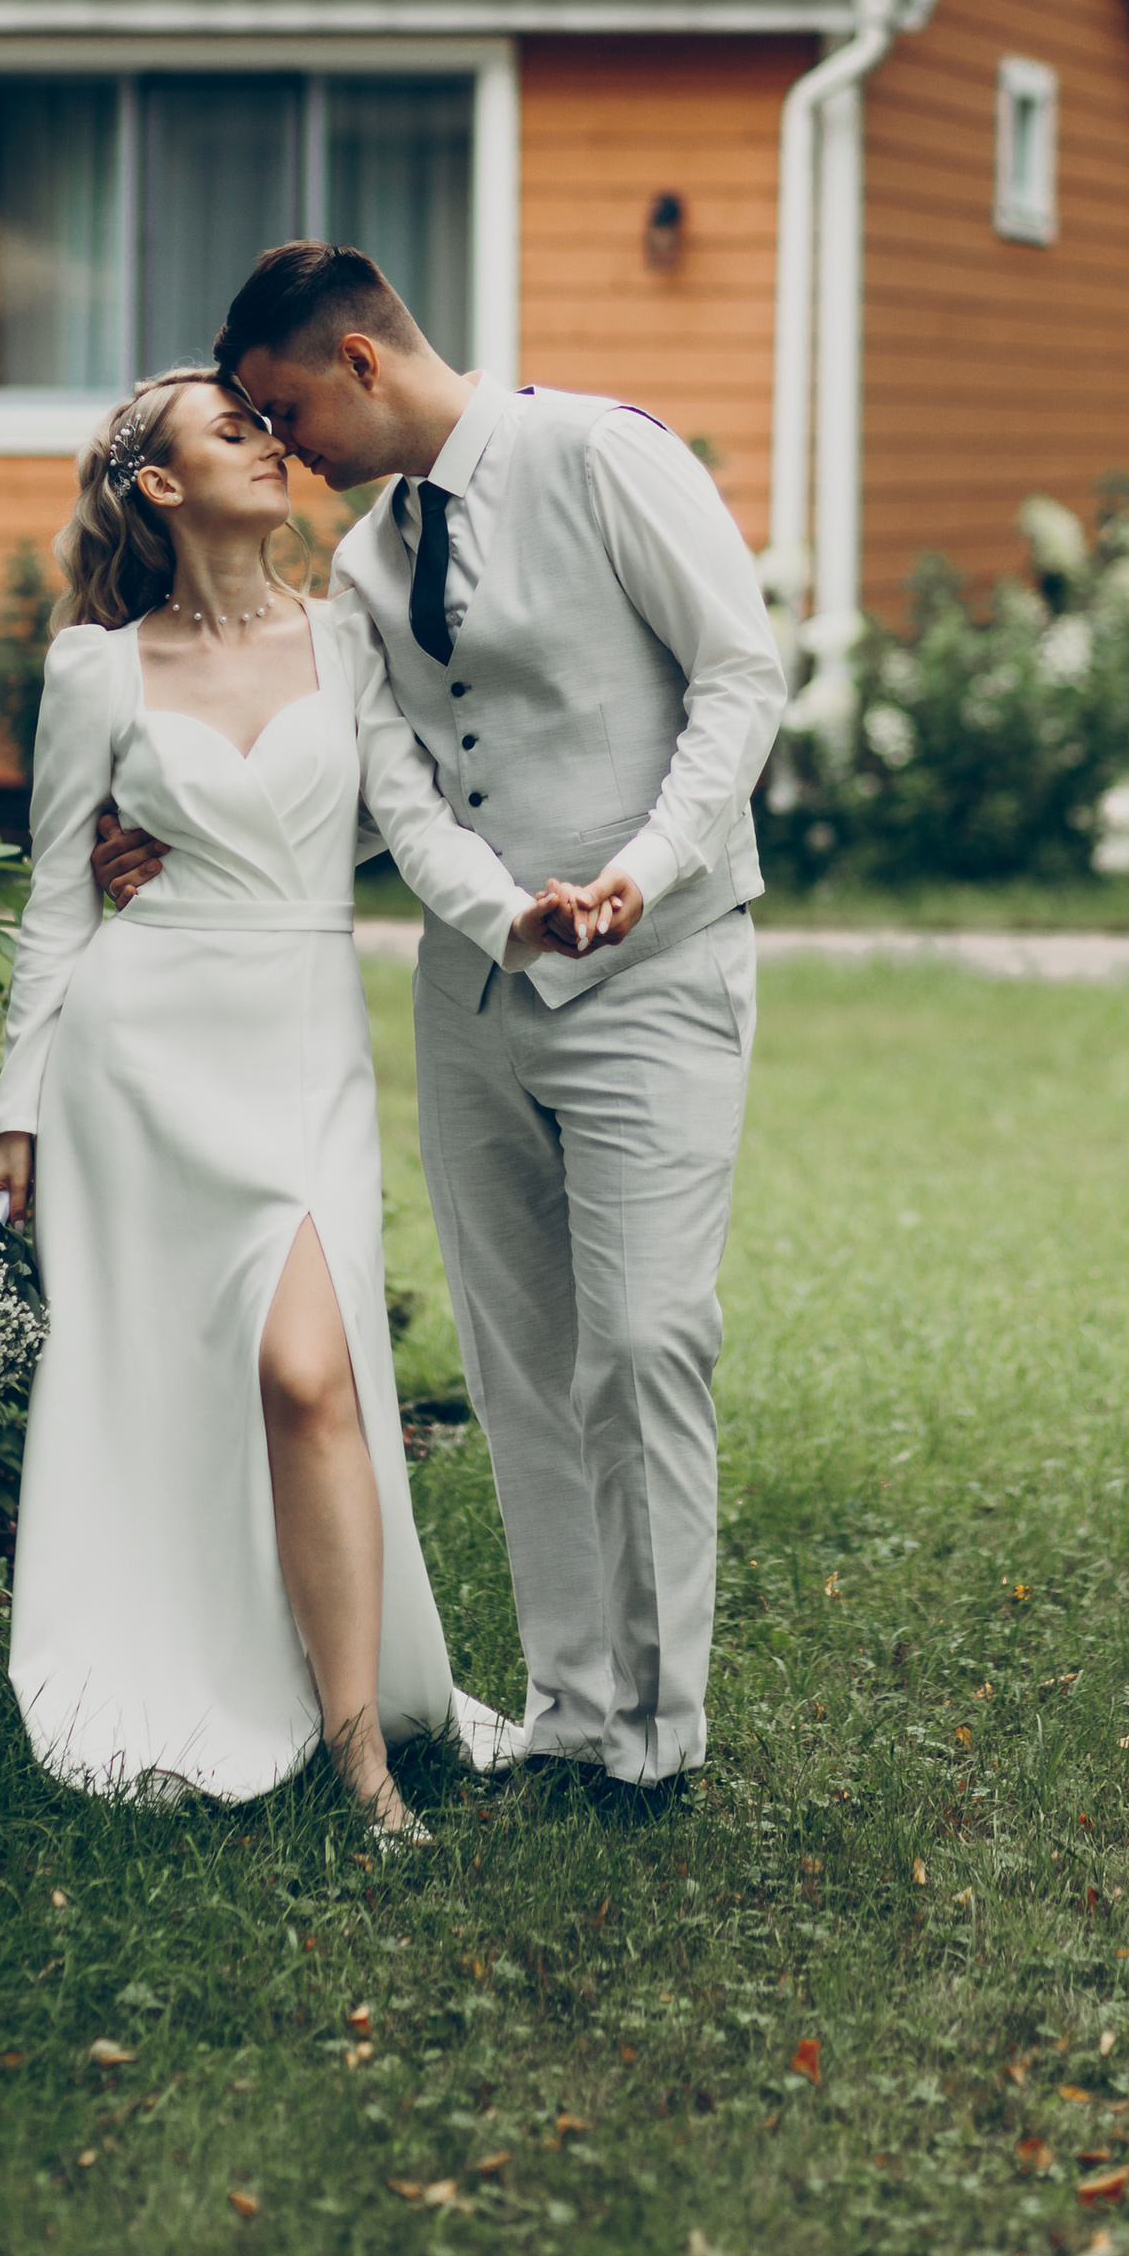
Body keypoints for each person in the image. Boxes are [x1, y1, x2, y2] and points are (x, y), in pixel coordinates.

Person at [98, 248, 787, 1806]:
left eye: (283, 413)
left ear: (356, 357)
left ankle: (657, 1737)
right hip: (475, 1000)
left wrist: (638, 870)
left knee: (647, 1339)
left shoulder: (601, 455)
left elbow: (741, 679)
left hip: (660, 972)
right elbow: (380, 786)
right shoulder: (363, 568)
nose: (283, 455)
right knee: (521, 1363)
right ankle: (569, 1712)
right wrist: (169, 836)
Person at [0, 367, 569, 1837]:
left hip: (297, 1046)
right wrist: (15, 1113)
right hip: (140, 1056)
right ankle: (226, 1683)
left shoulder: (346, 634)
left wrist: (509, 920)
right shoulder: (94, 672)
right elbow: (57, 903)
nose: (269, 443)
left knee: (314, 1378)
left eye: (265, 426)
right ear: (159, 486)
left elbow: (404, 821)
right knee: (171, 1382)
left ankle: (362, 1759)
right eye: (231, 431)